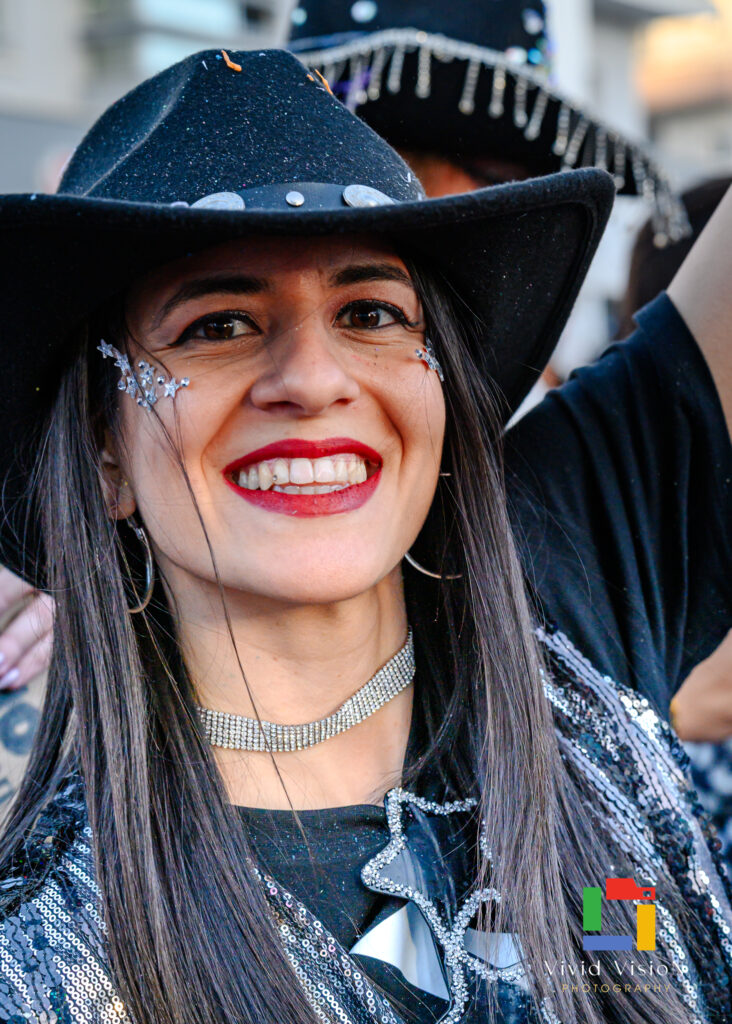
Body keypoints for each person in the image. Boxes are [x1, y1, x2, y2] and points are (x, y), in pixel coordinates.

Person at [0, 46, 730, 1024]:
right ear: (103, 450)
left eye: (371, 312)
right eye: (218, 325)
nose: (313, 379)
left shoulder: (559, 582)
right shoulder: (38, 965)